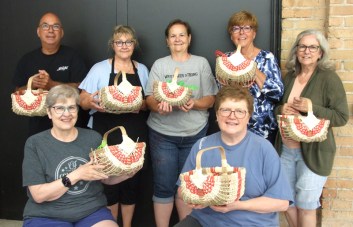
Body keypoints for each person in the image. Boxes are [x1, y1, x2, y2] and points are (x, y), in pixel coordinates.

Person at [174, 85, 293, 227]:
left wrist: (237, 205)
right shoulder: (202, 145)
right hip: (205, 222)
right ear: (217, 115)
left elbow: (282, 203)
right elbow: (182, 190)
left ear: (248, 117)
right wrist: (196, 198)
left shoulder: (264, 149)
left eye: (239, 111)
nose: (232, 116)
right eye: (225, 110)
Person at [22, 84, 133, 227]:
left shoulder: (93, 138)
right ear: (49, 112)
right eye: (59, 108)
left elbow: (106, 177)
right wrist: (77, 174)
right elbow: (38, 195)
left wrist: (129, 172)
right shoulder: (35, 143)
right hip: (46, 215)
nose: (66, 113)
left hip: (91, 212)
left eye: (71, 107)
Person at [145, 19, 219, 227]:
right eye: (173, 35)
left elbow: (211, 99)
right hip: (162, 133)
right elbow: (149, 98)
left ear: (189, 39)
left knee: (187, 186)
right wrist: (159, 105)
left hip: (195, 134)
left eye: (181, 35)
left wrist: (194, 103)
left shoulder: (201, 63)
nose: (177, 39)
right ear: (167, 41)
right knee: (163, 186)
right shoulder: (160, 65)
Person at [274, 29, 349, 227]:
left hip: (314, 154)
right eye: (302, 46)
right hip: (286, 151)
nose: (307, 51)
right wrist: (282, 108)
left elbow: (341, 117)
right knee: (286, 202)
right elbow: (277, 110)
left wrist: (311, 108)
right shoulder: (290, 77)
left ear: (320, 53)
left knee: (306, 206)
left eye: (312, 47)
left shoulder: (328, 78)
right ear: (296, 50)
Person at [79, 25, 149, 227]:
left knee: (131, 182)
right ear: (113, 45)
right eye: (119, 42)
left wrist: (139, 105)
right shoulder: (100, 68)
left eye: (128, 41)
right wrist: (92, 103)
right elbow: (82, 99)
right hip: (105, 131)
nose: (124, 46)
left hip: (135, 131)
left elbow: (146, 102)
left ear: (134, 45)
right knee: (107, 181)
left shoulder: (142, 69)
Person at [12, 12, 88, 136]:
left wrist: (51, 84)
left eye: (56, 26)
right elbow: (17, 92)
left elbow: (82, 90)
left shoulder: (73, 56)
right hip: (38, 130)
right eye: (45, 26)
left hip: (70, 126)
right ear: (38, 32)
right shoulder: (27, 59)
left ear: (61, 32)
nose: (51, 30)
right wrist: (32, 86)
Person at [220, 10, 283, 144]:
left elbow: (277, 94)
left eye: (247, 28)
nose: (241, 32)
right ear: (231, 35)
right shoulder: (225, 59)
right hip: (233, 128)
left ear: (254, 34)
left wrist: (249, 67)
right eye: (236, 29)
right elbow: (221, 94)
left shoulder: (267, 58)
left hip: (264, 131)